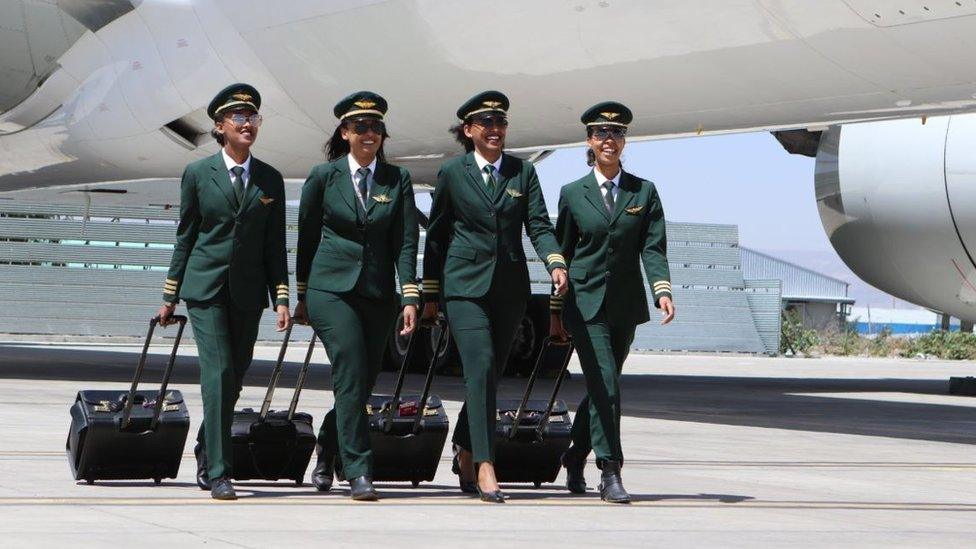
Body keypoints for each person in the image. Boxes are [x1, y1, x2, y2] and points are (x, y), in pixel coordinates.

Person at [420, 91, 568, 503]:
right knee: (481, 367)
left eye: (500, 123)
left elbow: (538, 224)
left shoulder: (522, 174)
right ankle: (486, 464)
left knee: (488, 375)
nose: (495, 130)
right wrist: (430, 291)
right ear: (469, 131)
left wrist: (555, 261)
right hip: (464, 288)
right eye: (485, 124)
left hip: (508, 291)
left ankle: (466, 448)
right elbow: (437, 235)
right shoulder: (452, 172)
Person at [157, 83, 291, 500]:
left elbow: (274, 245)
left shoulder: (270, 178)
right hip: (205, 288)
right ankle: (219, 470)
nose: (247, 124)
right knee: (217, 373)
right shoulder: (198, 174)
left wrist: (281, 297)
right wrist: (170, 292)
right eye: (239, 118)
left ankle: (205, 444)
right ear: (220, 126)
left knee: (234, 377)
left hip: (248, 292)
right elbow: (187, 235)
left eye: (253, 118)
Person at [293, 91, 419, 501]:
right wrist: (302, 294)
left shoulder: (395, 180)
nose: (369, 133)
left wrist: (410, 295)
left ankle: (327, 448)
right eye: (360, 127)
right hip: (331, 290)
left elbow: (404, 240)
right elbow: (307, 235)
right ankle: (360, 469)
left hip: (378, 292)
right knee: (349, 367)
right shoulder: (323, 176)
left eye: (376, 127)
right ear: (345, 132)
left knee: (360, 384)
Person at [549, 101, 676, 503]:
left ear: (624, 141)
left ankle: (574, 455)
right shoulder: (572, 194)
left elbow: (653, 248)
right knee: (604, 380)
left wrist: (663, 289)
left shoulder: (644, 191)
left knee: (607, 384)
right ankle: (610, 469)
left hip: (624, 304)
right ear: (589, 141)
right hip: (584, 303)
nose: (609, 140)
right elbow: (562, 254)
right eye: (602, 134)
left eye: (617, 134)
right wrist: (555, 312)